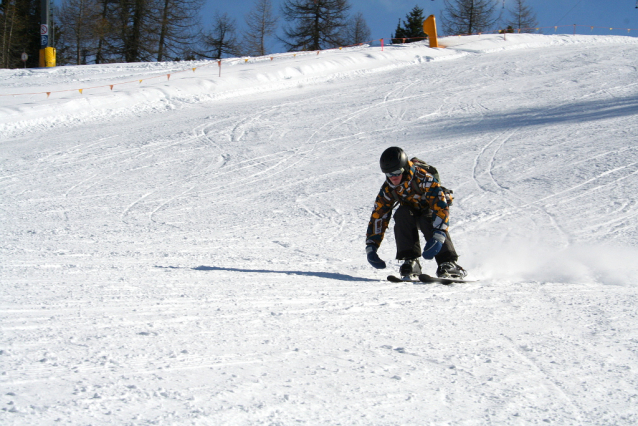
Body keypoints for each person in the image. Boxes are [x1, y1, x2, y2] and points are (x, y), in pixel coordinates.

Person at [365, 146, 467, 279]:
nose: (393, 177)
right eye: (389, 174)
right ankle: (410, 261)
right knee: (401, 213)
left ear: (405, 168)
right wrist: (371, 246)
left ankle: (447, 262)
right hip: (410, 215)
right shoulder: (388, 189)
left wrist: (439, 235)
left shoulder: (423, 178)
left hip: (430, 212)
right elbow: (379, 216)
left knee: (427, 218)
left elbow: (440, 205)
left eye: (397, 172)